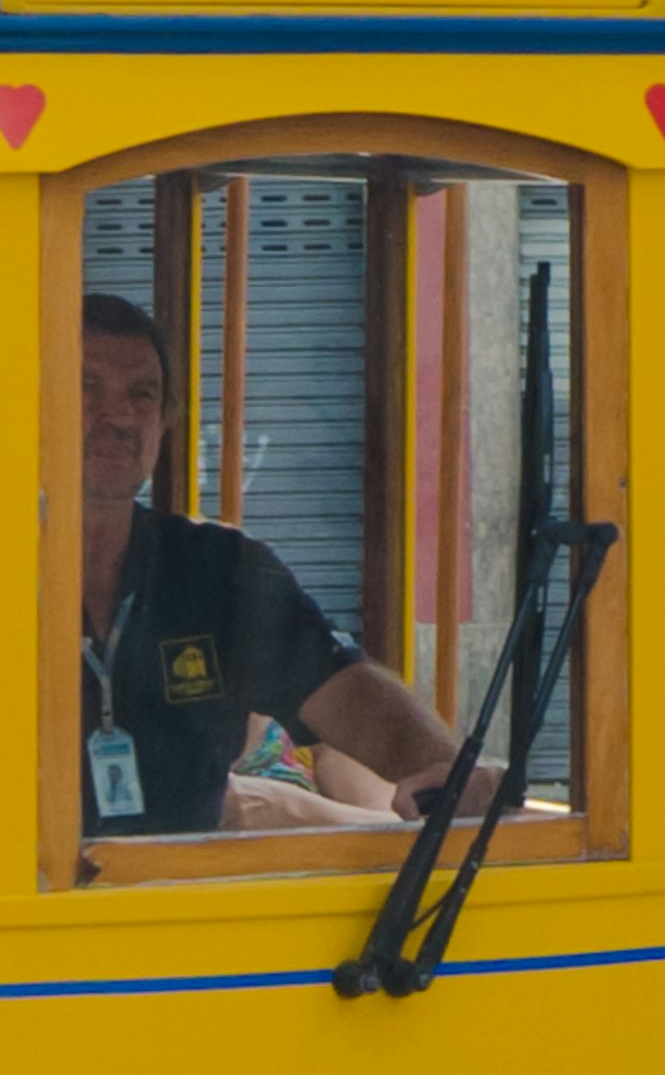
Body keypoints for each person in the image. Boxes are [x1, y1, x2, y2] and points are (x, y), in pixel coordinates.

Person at [74, 290, 456, 833]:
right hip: (17, 911)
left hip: (185, 903)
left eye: (143, 394)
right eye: (86, 388)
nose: (118, 416)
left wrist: (445, 768)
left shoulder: (218, 571)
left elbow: (349, 692)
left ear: (164, 420)